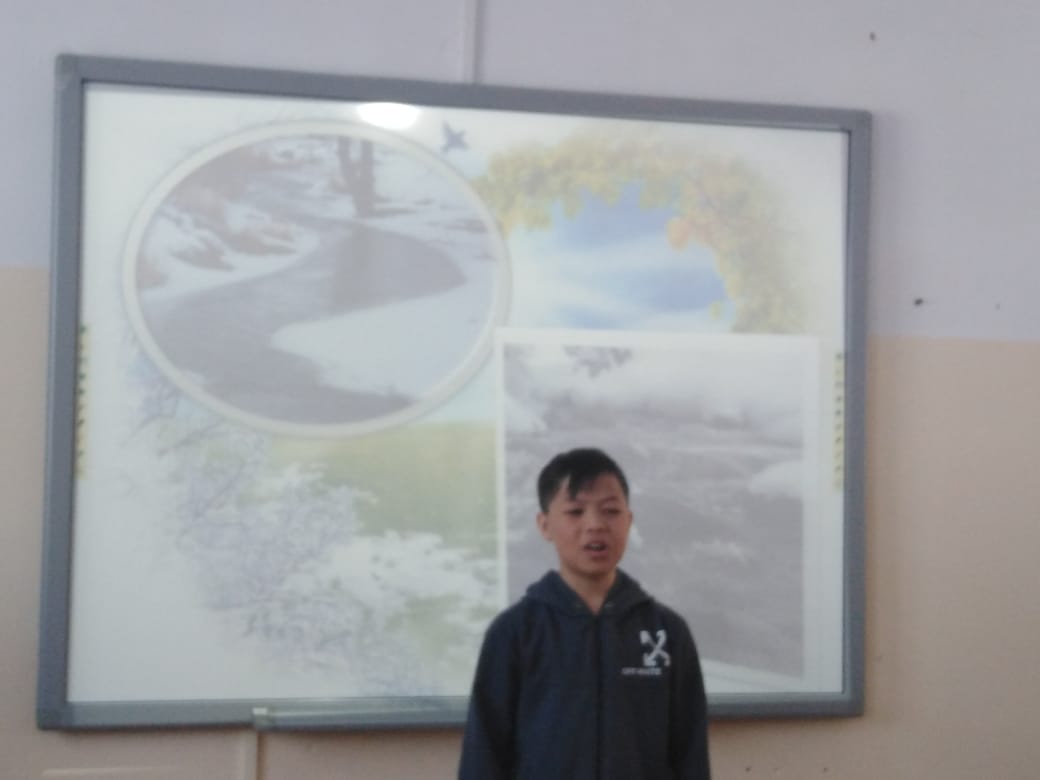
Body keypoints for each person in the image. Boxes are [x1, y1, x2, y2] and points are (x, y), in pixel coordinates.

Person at [458, 447, 711, 779]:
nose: (595, 525)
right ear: (544, 525)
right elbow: (483, 755)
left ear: (628, 521)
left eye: (610, 511)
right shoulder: (514, 632)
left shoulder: (667, 631)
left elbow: (690, 754)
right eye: (575, 512)